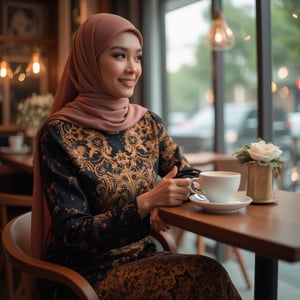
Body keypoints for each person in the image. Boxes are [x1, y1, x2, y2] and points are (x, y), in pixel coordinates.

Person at [31, 13, 241, 299]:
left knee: (209, 273)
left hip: (143, 258)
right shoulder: (58, 134)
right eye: (119, 56)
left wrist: (168, 198)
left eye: (138, 57)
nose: (133, 69)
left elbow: (189, 175)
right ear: (88, 61)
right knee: (207, 277)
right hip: (86, 277)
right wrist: (146, 203)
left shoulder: (147, 123)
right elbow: (74, 235)